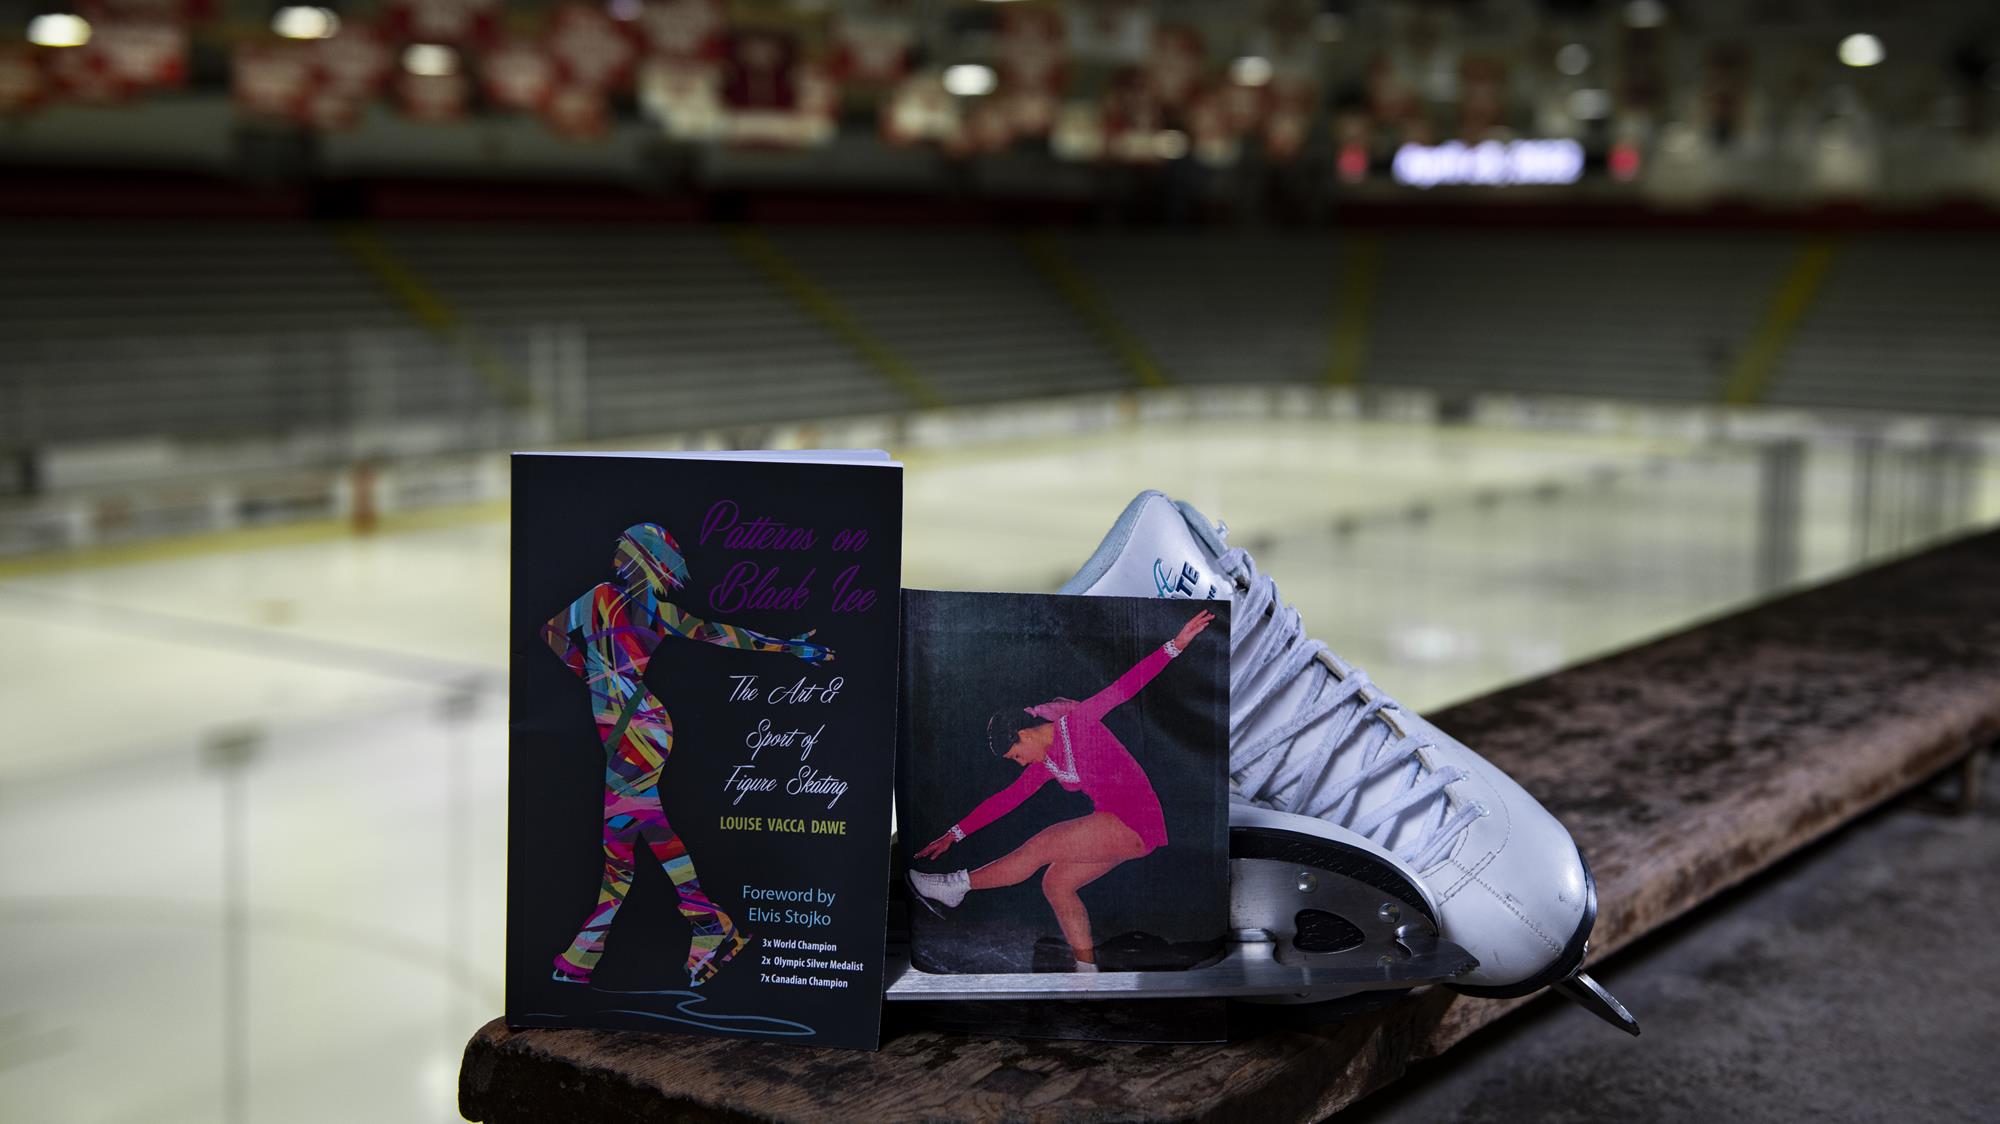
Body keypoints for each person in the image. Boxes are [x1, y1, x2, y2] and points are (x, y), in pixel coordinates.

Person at [543, 521, 833, 988]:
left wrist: (788, 647)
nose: (616, 560)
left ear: (644, 562)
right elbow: (552, 634)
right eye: (618, 553)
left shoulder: (630, 607)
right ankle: (708, 924)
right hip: (631, 730)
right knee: (650, 830)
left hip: (640, 732)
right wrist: (594, 680)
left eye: (626, 554)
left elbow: (728, 636)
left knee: (618, 846)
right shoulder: (614, 602)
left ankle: (586, 953)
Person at [908, 609, 1215, 972]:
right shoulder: (1046, 765)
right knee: (1057, 883)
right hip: (1116, 825)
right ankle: (1088, 976)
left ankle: (955, 886)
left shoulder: (1078, 722)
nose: (1019, 763)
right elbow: (1006, 800)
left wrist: (1174, 646)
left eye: (1016, 755)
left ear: (1024, 734)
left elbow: (1124, 687)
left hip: (1136, 820)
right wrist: (954, 834)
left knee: (1043, 844)